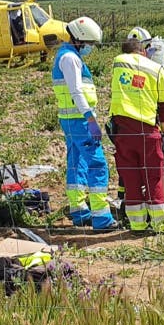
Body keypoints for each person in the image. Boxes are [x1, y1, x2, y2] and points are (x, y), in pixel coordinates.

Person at [52, 16, 115, 231]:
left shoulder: (64, 55)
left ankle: (79, 210)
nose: (90, 48)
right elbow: (76, 91)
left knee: (76, 163)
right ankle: (102, 217)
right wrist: (91, 119)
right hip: (80, 121)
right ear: (80, 39)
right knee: (97, 164)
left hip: (70, 120)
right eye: (89, 44)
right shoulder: (71, 59)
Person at [109, 34, 164, 233]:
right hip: (148, 132)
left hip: (123, 132)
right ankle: (159, 225)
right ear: (144, 51)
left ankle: (137, 225)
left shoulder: (118, 63)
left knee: (131, 178)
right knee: (153, 178)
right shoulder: (157, 69)